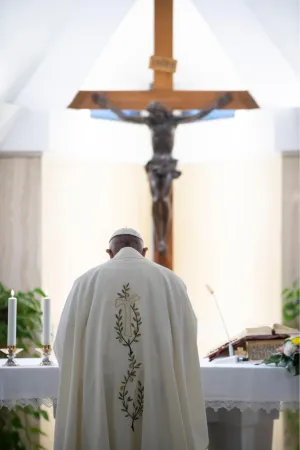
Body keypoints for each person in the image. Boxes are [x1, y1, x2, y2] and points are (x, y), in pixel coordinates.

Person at [54, 228, 208, 450]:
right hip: (158, 381)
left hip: (101, 386)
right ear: (144, 251)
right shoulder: (171, 282)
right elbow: (188, 335)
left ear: (109, 252)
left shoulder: (85, 283)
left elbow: (64, 342)